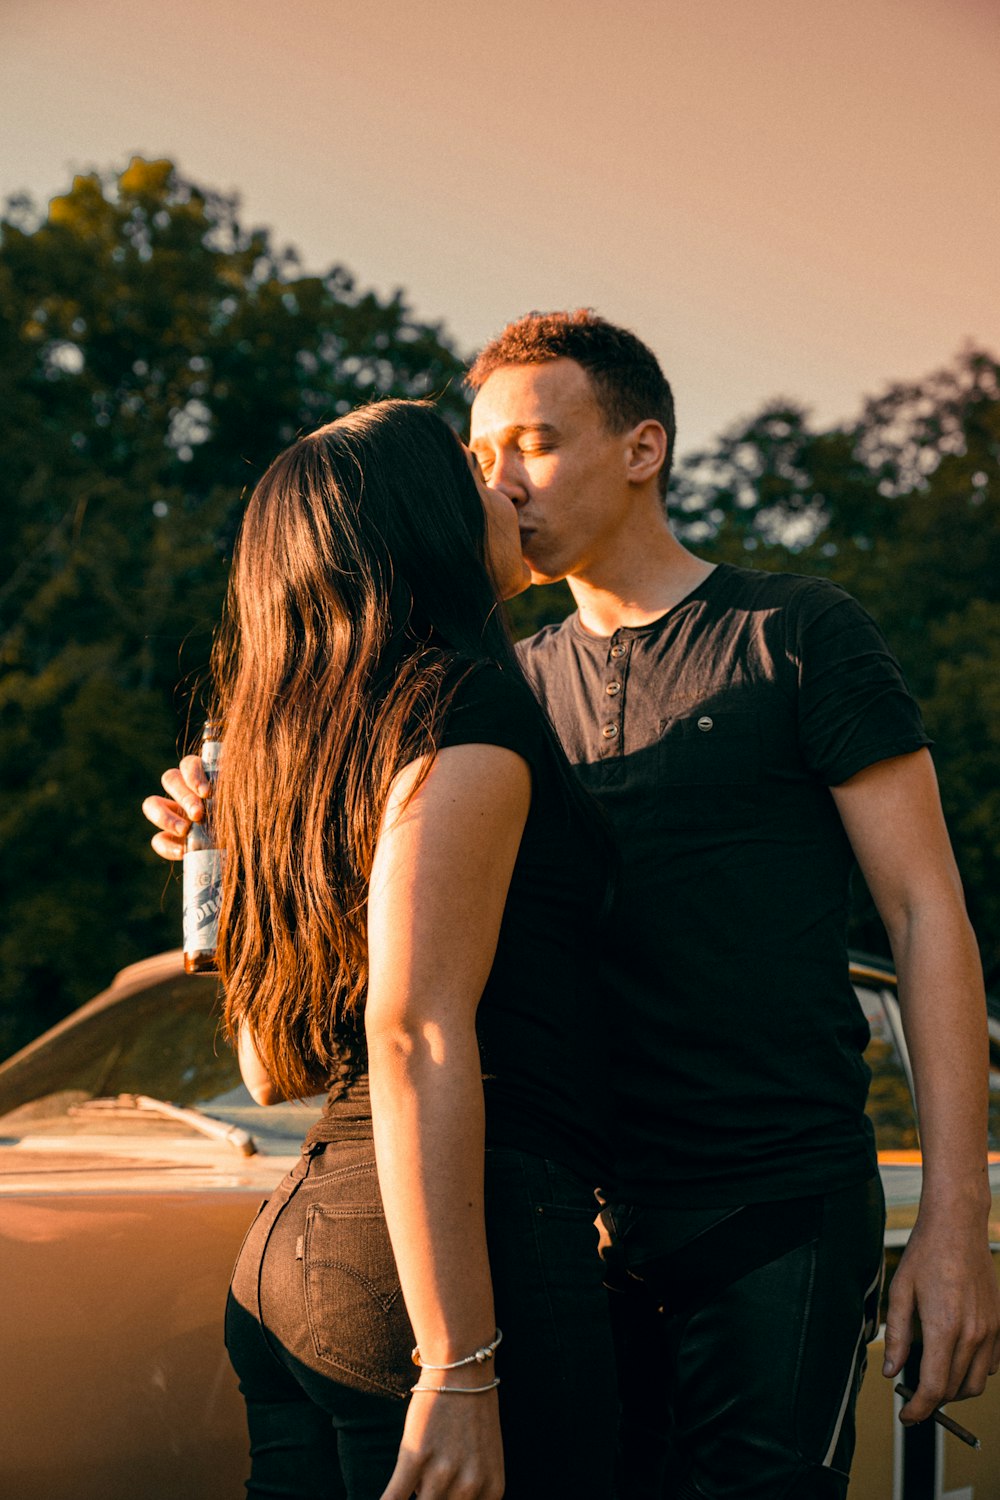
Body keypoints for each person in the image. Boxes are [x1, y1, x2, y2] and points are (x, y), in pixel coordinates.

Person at [148, 312, 1000, 1498]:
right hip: (554, 1221)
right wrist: (241, 836)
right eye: (479, 456)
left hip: (766, 1200)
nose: (500, 482)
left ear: (642, 447)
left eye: (533, 446)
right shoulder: (491, 684)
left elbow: (926, 920)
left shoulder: (797, 636)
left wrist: (956, 1227)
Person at [145, 399, 618, 1500]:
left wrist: (226, 861)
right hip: (453, 1260)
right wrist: (457, 1364)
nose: (501, 481)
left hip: (292, 1265)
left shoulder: (318, 758)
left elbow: (273, 1071)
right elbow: (410, 1034)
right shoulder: (469, 712)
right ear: (422, 522)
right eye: (468, 467)